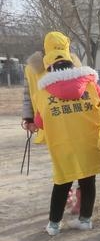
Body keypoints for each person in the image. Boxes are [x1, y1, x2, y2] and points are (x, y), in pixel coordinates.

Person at [32, 31, 100, 235]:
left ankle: (53, 225)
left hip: (63, 145)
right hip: (90, 143)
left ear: (49, 65)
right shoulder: (90, 84)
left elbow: (39, 122)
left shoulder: (43, 92)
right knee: (88, 181)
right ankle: (85, 220)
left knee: (62, 183)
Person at [22, 44, 84, 214]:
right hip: (50, 120)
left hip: (74, 119)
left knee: (79, 159)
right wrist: (29, 118)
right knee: (62, 160)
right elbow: (28, 95)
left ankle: (80, 194)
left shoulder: (73, 61)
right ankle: (68, 192)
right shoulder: (33, 67)